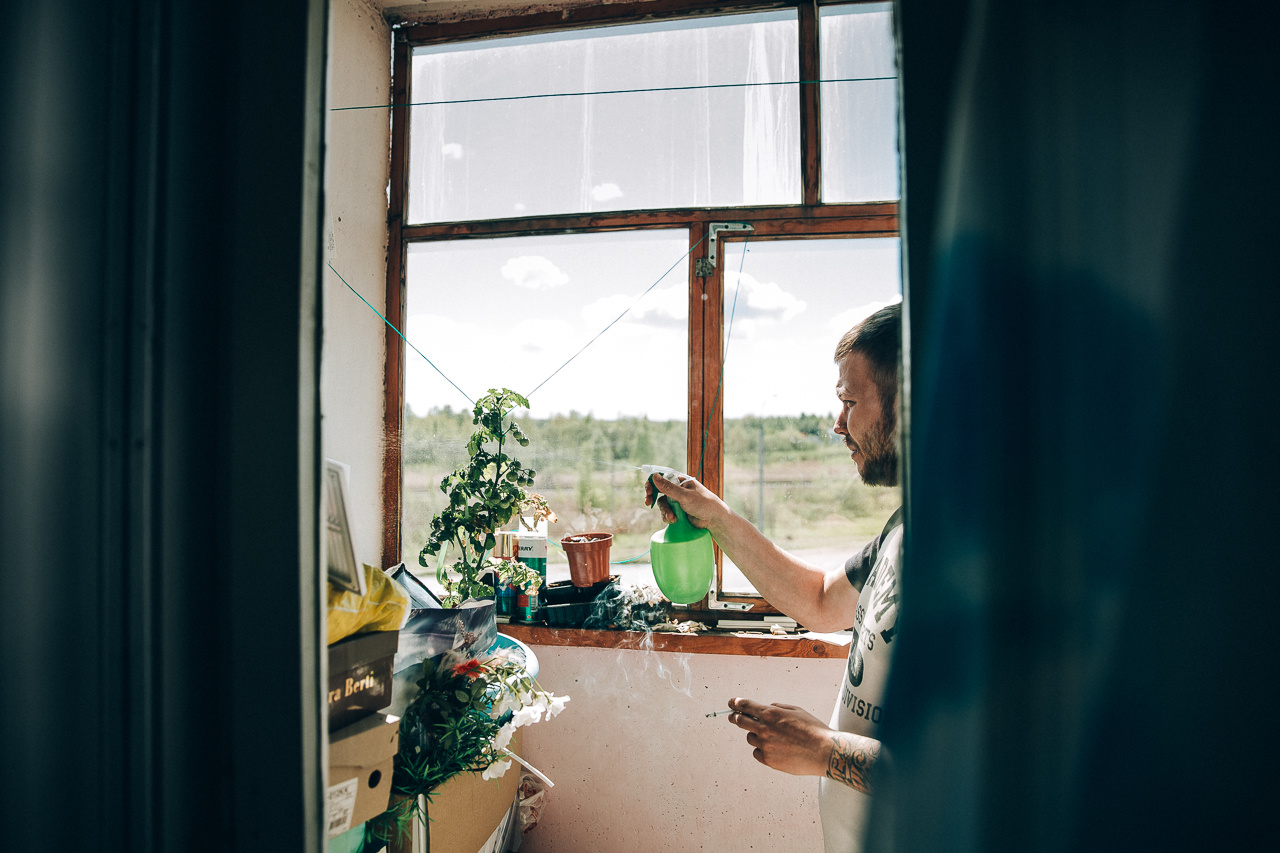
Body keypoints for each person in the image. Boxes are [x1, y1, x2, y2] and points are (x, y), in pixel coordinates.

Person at [646, 302, 903, 853]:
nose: (838, 424)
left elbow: (973, 778)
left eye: (850, 402)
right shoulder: (905, 529)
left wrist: (825, 750)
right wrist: (714, 515)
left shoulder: (990, 558)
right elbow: (817, 600)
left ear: (908, 404)